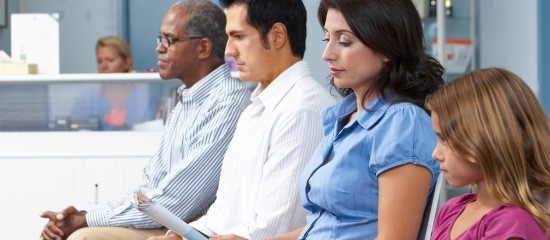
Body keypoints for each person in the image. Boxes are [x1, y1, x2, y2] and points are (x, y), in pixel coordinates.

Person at [39, 0, 251, 239]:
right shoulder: (186, 103)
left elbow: (174, 202)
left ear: (203, 48)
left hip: (189, 227)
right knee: (69, 232)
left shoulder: (227, 102)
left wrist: (84, 220)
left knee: (82, 237)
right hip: (165, 219)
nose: (159, 48)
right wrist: (86, 214)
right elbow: (148, 187)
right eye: (159, 39)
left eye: (169, 40)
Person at [147, 0, 335, 239]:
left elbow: (276, 227)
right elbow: (224, 213)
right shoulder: (255, 109)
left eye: (239, 36)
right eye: (228, 37)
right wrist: (187, 234)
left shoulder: (302, 109)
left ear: (277, 35)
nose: (229, 51)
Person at [261, 0, 445, 239]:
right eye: (328, 39)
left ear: (388, 48)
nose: (327, 54)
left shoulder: (402, 123)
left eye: (344, 41)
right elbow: (321, 227)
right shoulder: (342, 117)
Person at [428, 68, 550, 239]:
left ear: (488, 141)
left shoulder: (512, 224)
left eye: (445, 140)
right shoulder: (451, 209)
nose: (436, 154)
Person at [70, 36, 160, 130]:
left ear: (126, 63)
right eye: (99, 61)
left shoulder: (146, 95)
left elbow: (153, 132)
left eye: (110, 60)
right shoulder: (87, 97)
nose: (103, 66)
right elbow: (73, 128)